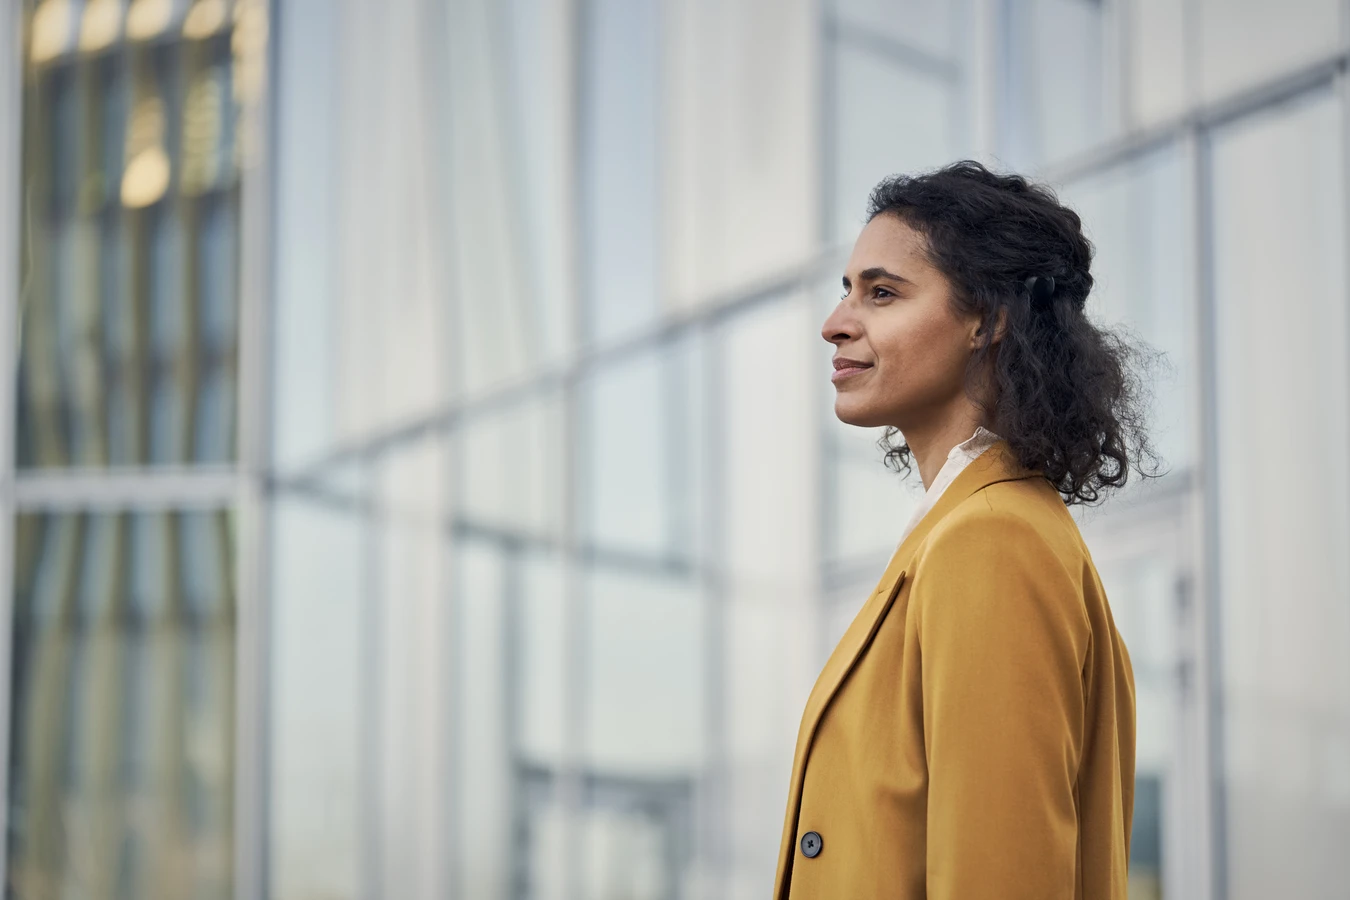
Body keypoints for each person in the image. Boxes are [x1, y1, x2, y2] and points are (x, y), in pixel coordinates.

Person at [773, 160, 1156, 899]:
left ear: (989, 319)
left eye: (881, 293)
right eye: (846, 290)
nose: (836, 323)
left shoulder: (992, 542)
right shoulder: (977, 526)